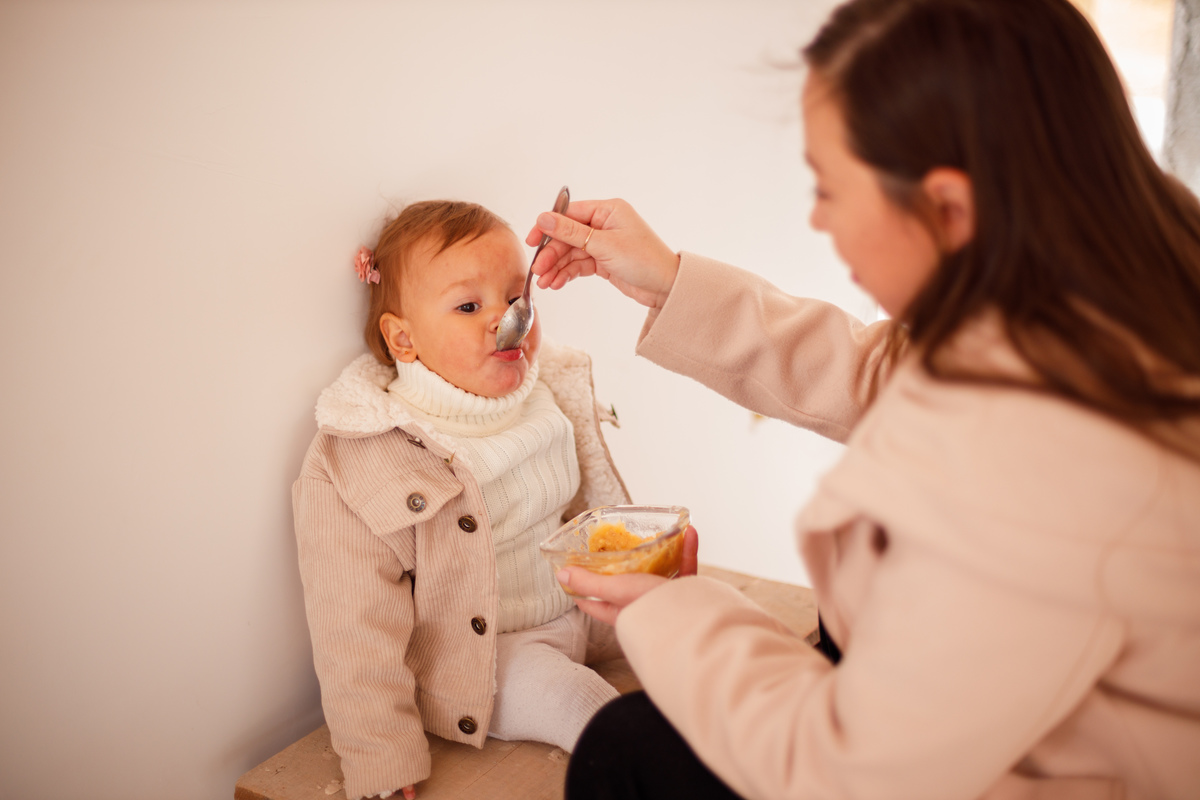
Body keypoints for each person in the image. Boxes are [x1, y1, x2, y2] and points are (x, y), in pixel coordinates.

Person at [524, 0, 1200, 798]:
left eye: (830, 189)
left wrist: (672, 609)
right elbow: (876, 368)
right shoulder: (1105, 287)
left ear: (948, 208)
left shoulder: (1059, 459)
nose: (818, 218)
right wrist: (669, 278)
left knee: (626, 748)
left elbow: (839, 769)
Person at [292, 200, 647, 800]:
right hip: (488, 659)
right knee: (582, 703)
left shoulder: (543, 390)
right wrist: (379, 756)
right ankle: (659, 770)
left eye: (515, 298)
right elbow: (352, 626)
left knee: (690, 625)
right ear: (403, 338)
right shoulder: (362, 457)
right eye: (467, 306)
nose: (504, 318)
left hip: (575, 605)